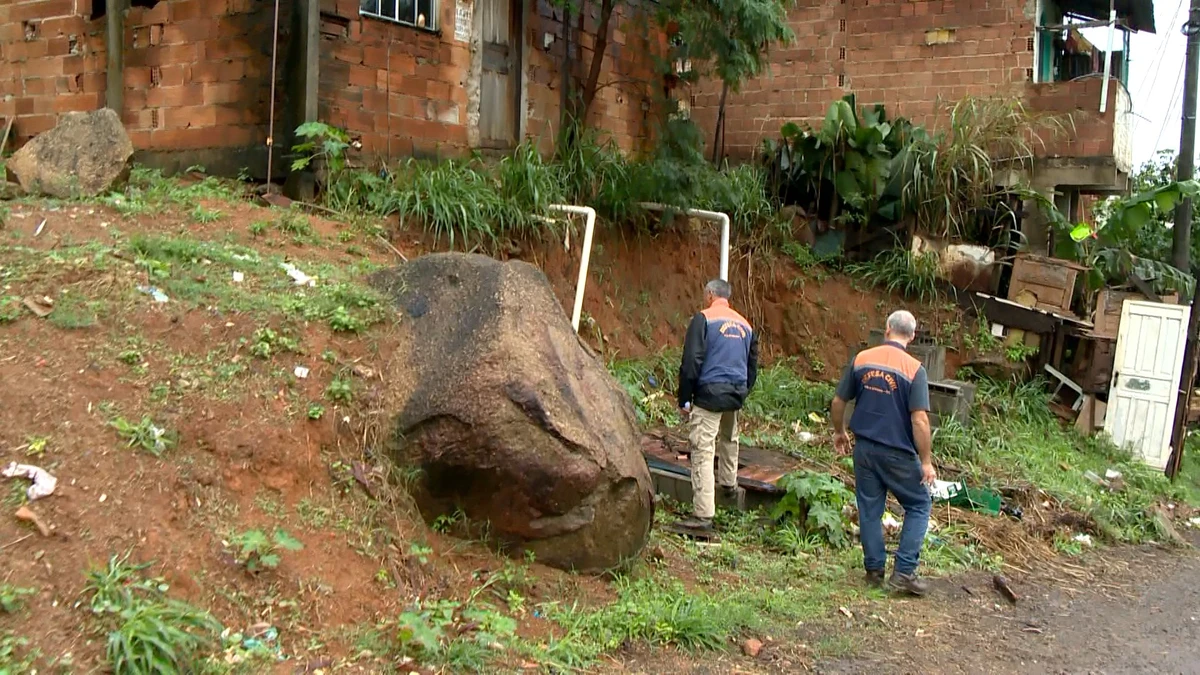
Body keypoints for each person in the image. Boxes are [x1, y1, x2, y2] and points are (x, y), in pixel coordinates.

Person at [831, 310, 935, 596]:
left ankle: (874, 571)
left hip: (864, 448)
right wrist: (926, 461)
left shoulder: (862, 359)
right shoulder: (915, 370)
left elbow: (839, 401)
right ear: (912, 336)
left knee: (869, 509)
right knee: (919, 504)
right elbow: (919, 420)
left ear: (887, 328)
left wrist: (839, 431)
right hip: (898, 452)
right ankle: (903, 572)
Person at [676, 279, 759, 532]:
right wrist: (742, 391)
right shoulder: (745, 324)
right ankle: (729, 485)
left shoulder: (704, 319)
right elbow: (752, 365)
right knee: (729, 438)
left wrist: (684, 398)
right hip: (735, 392)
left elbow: (692, 361)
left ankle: (702, 515)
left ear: (710, 294)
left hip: (710, 393)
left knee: (702, 448)